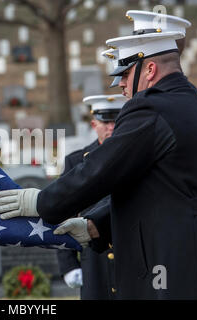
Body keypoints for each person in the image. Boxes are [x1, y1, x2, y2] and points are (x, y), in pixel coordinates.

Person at [0, 30, 197, 299]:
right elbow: (162, 188)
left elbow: (101, 169)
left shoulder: (152, 108)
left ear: (150, 69)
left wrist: (41, 202)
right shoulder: (195, 107)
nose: (120, 84)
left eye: (126, 73)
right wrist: (96, 226)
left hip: (177, 262)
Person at [57, 94, 126, 300]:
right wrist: (68, 264)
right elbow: (62, 213)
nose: (111, 127)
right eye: (106, 122)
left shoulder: (139, 158)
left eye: (117, 121)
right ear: (94, 124)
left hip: (131, 257)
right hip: (94, 261)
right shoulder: (76, 162)